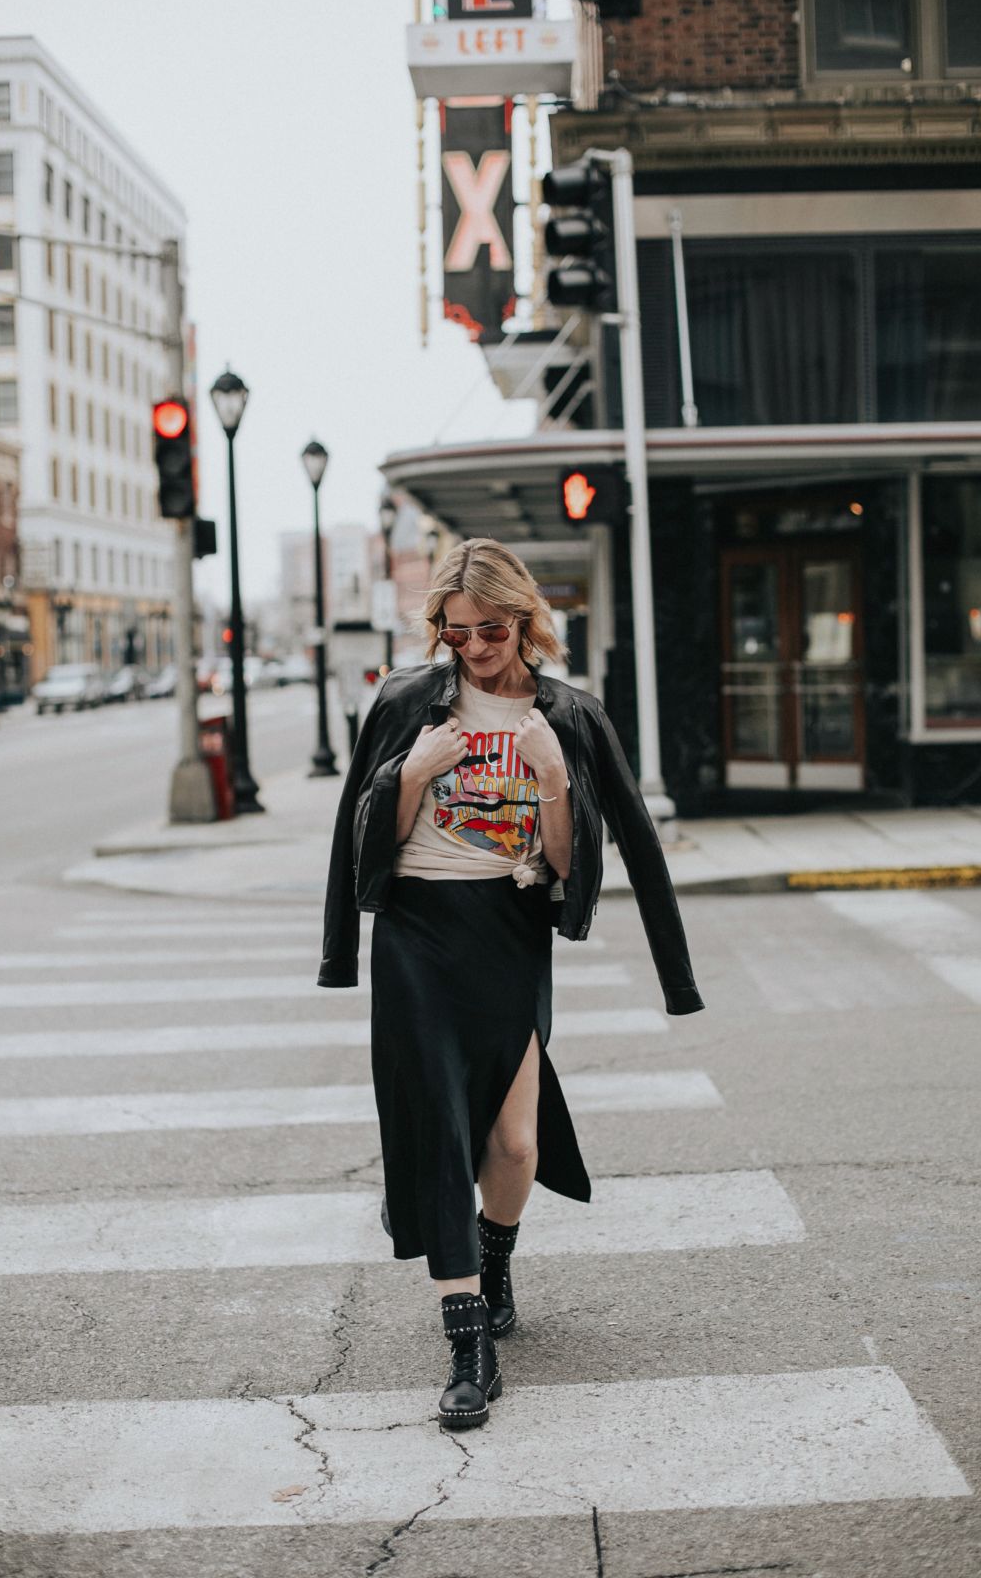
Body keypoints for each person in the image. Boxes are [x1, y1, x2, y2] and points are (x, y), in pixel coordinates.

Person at [319, 537, 703, 1430]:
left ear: (524, 620)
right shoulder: (405, 703)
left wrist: (555, 780)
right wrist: (407, 772)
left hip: (510, 935)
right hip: (417, 936)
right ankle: (467, 1347)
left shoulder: (567, 717)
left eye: (489, 630)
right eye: (455, 634)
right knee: (444, 1141)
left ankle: (494, 1266)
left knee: (516, 1147)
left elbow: (602, 855)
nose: (473, 648)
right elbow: (356, 827)